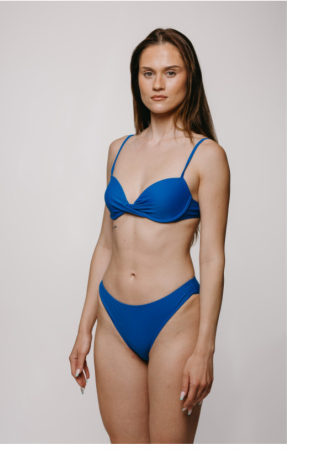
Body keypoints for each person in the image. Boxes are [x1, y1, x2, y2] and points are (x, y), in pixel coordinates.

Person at [69, 28, 230, 444]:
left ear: (189, 77)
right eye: (148, 73)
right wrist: (85, 327)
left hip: (174, 318)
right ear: (136, 79)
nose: (158, 84)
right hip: (112, 318)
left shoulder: (207, 156)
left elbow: (212, 258)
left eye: (170, 72)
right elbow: (106, 244)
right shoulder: (118, 149)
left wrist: (205, 349)